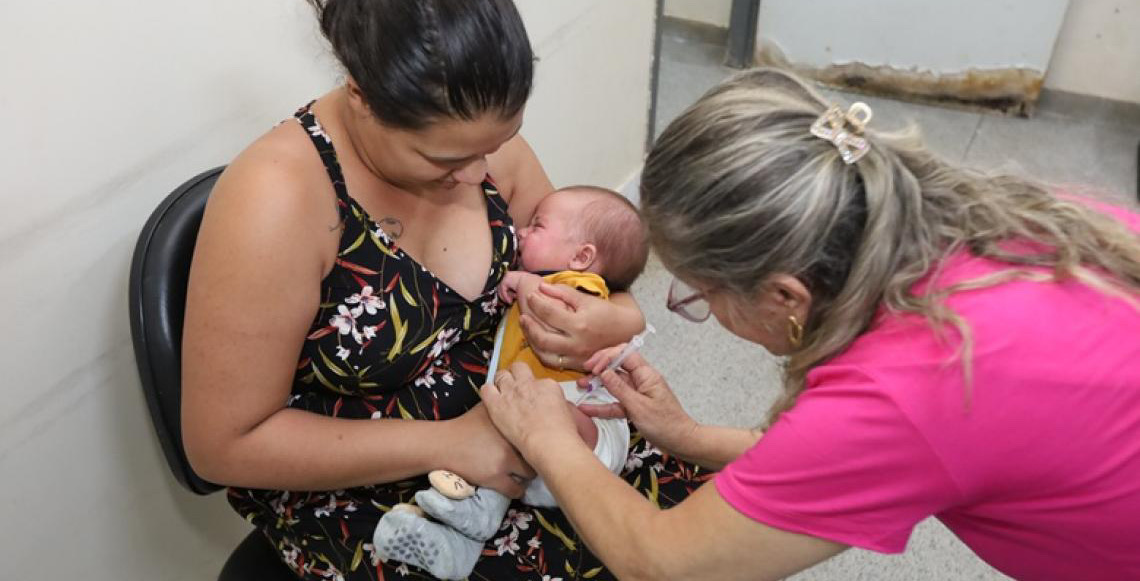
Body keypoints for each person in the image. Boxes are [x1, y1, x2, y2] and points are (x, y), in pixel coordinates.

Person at [482, 68, 1140, 581]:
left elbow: (662, 562)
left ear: (785, 297)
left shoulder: (907, 384)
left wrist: (549, 439)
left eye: (702, 296)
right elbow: (845, 459)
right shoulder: (1004, 219)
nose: (702, 310)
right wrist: (687, 436)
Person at [180, 1, 705, 579]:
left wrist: (613, 318)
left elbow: (599, 277)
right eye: (447, 158)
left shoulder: (481, 139)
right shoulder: (276, 201)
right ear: (361, 94)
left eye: (495, 146)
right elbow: (224, 444)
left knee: (704, 535)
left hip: (536, 424)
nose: (481, 173)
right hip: (378, 485)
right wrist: (448, 443)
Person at [373, 186, 647, 579]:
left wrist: (525, 281)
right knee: (503, 438)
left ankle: (477, 515)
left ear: (582, 257)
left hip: (589, 433)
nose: (520, 231)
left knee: (542, 418)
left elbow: (553, 308)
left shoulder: (583, 287)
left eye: (537, 225)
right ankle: (459, 544)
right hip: (535, 464)